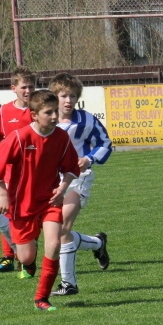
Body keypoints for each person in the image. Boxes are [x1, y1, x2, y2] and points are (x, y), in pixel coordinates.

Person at [0, 90, 80, 311]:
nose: (55, 116)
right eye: (48, 112)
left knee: (53, 244)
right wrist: (3, 193)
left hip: (49, 201)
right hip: (22, 204)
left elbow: (72, 168)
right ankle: (28, 257)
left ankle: (41, 298)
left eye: (56, 111)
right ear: (34, 115)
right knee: (26, 259)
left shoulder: (61, 137)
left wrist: (62, 188)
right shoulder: (19, 137)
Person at [47, 73, 111, 297]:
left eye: (72, 96)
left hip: (78, 179)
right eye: (63, 95)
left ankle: (69, 284)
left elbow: (105, 142)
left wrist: (89, 159)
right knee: (56, 233)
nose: (68, 100)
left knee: (63, 227)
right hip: (51, 182)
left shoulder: (86, 120)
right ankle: (97, 244)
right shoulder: (45, 121)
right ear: (54, 96)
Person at [0, 67, 37, 272]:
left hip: (34, 172)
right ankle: (8, 256)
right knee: (5, 212)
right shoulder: (4, 111)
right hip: (9, 171)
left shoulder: (39, 110)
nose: (28, 90)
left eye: (32, 86)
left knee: (30, 213)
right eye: (24, 87)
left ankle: (27, 252)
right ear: (13, 88)